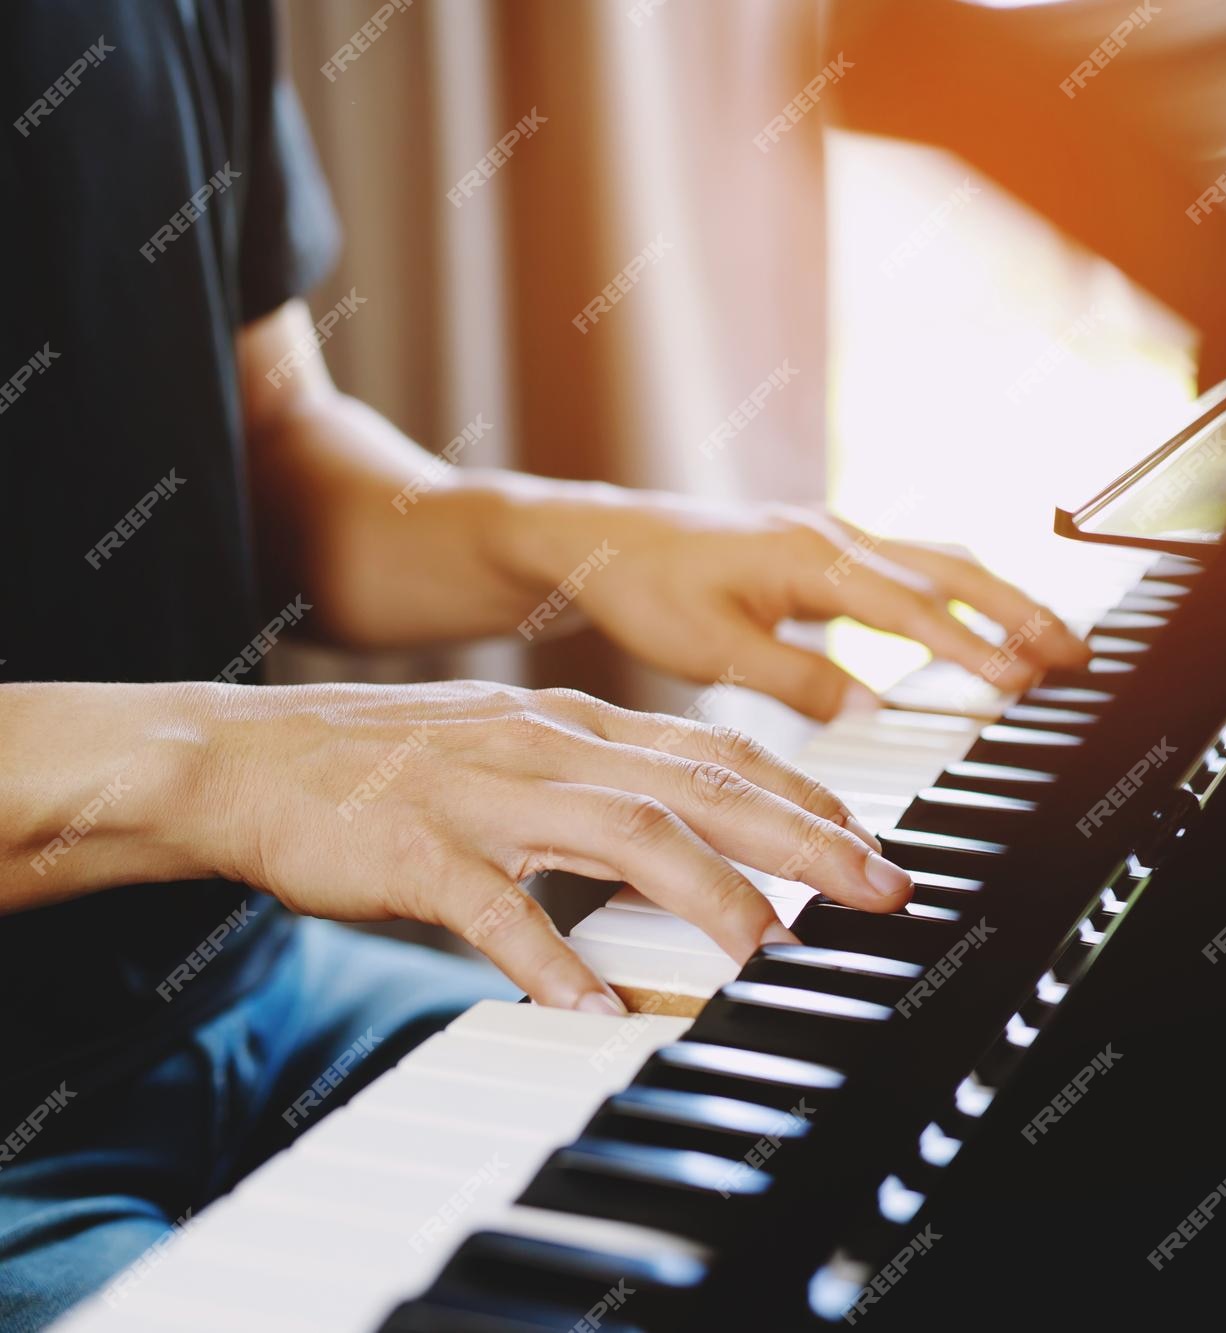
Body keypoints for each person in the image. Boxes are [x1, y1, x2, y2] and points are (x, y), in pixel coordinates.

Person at [0, 3, 1085, 1324]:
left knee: (859, 1158)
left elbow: (265, 439)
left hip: (250, 980)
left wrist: (576, 539)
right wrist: (231, 768)